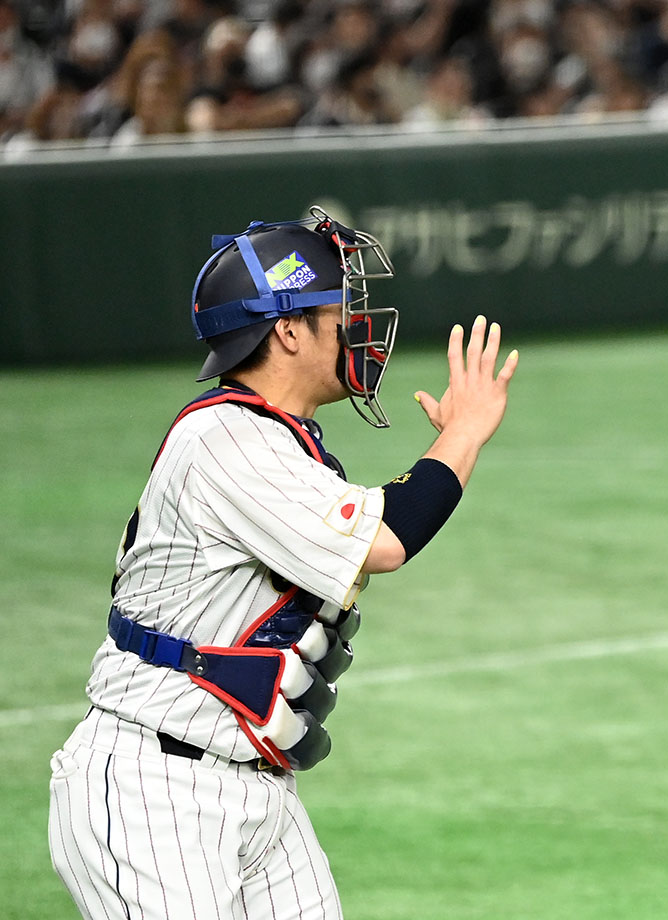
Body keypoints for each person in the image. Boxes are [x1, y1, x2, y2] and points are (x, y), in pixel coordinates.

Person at [47, 207, 518, 919]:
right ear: (288, 328)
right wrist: (466, 433)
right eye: (339, 310)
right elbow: (387, 539)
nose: (356, 326)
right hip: (154, 790)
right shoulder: (225, 438)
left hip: (256, 788)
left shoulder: (277, 439)